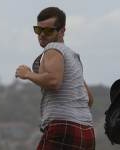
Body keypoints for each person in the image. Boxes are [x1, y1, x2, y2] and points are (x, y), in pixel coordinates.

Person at [15, 7, 95, 150]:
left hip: (63, 128)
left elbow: (53, 81)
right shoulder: (72, 56)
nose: (42, 35)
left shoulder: (52, 48)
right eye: (38, 30)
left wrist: (27, 73)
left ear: (62, 31)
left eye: (48, 31)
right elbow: (89, 98)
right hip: (87, 131)